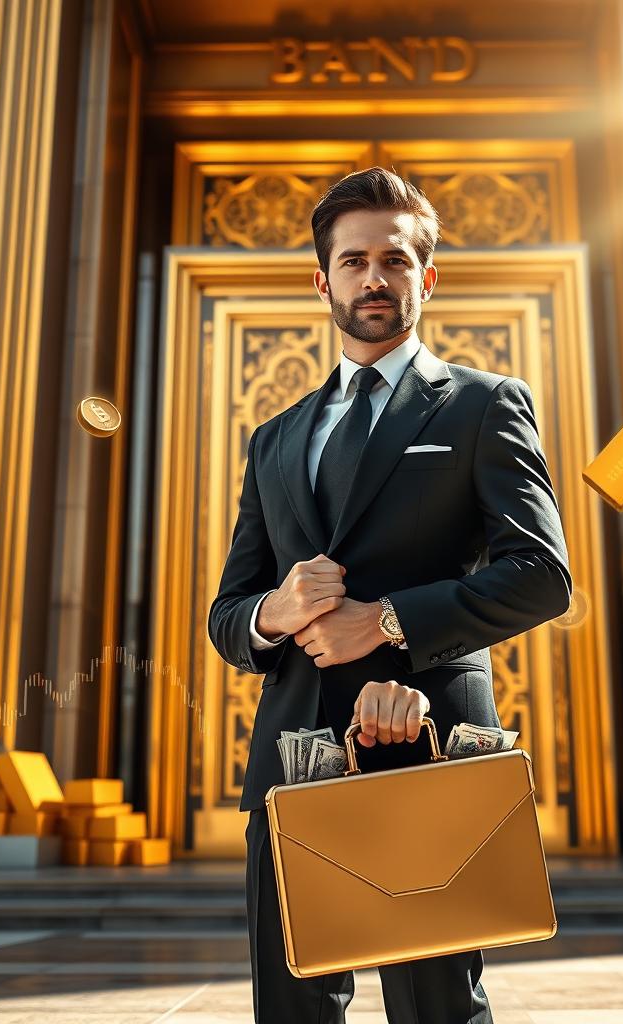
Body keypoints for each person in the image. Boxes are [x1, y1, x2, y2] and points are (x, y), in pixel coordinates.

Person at [207, 166, 572, 1024]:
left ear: (427, 277)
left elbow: (542, 576)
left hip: (428, 739)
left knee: (437, 1005)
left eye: (397, 261)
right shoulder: (273, 439)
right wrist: (276, 612)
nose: (377, 277)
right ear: (322, 279)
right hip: (291, 756)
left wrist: (389, 623)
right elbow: (229, 616)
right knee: (291, 1008)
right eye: (356, 260)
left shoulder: (484, 405)